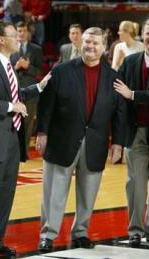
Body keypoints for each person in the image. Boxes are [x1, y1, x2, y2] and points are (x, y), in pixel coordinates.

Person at [36, 27, 127, 253]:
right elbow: (46, 105)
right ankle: (48, 235)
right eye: (87, 42)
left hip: (95, 142)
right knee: (54, 192)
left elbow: (119, 113)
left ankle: (81, 232)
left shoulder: (113, 77)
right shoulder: (61, 70)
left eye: (95, 43)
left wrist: (117, 143)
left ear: (104, 47)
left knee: (88, 192)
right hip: (61, 140)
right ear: (80, 43)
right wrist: (42, 132)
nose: (90, 47)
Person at [0, 20, 50, 259]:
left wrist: (39, 86)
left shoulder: (8, 65)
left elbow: (16, 95)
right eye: (14, 35)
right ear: (1, 40)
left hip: (12, 139)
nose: (19, 39)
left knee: (5, 194)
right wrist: (9, 106)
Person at [113, 18, 149, 247]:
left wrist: (133, 94)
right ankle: (135, 229)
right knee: (134, 182)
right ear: (141, 35)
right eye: (148, 33)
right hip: (134, 132)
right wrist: (118, 135)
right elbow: (119, 98)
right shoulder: (130, 61)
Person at [10, 21, 43, 158]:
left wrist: (27, 67)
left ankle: (23, 152)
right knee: (12, 121)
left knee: (28, 123)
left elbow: (39, 71)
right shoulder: (10, 48)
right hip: (13, 90)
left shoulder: (36, 49)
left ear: (28, 33)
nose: (21, 34)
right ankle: (12, 150)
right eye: (19, 31)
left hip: (30, 91)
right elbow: (5, 70)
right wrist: (17, 67)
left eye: (23, 31)